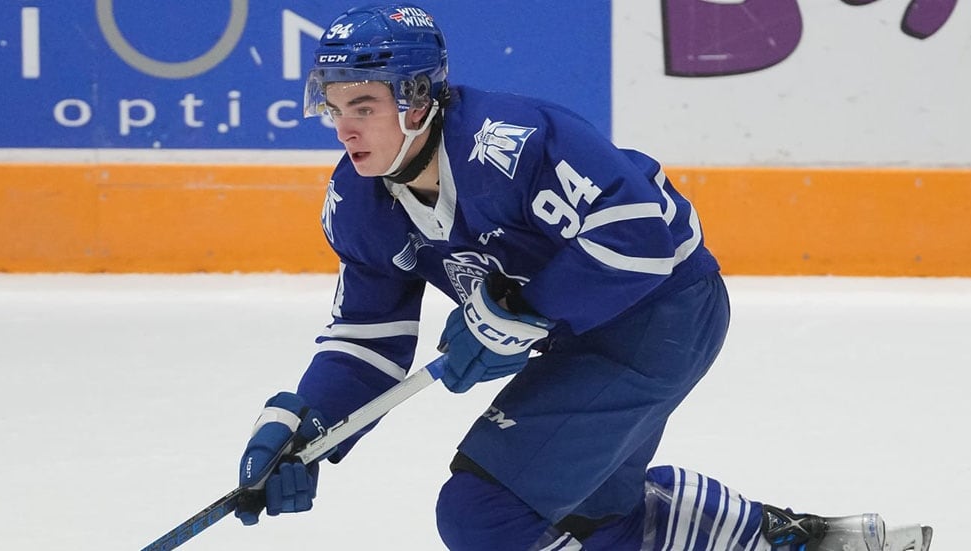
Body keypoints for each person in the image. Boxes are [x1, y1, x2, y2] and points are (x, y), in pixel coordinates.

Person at [232, 4, 933, 550]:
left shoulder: (509, 143)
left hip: (661, 313)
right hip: (584, 335)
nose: (344, 128)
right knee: (595, 519)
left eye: (364, 106)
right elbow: (367, 336)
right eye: (334, 106)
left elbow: (640, 237)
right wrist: (307, 424)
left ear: (417, 99)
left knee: (484, 511)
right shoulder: (359, 202)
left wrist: (523, 310)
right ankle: (782, 539)